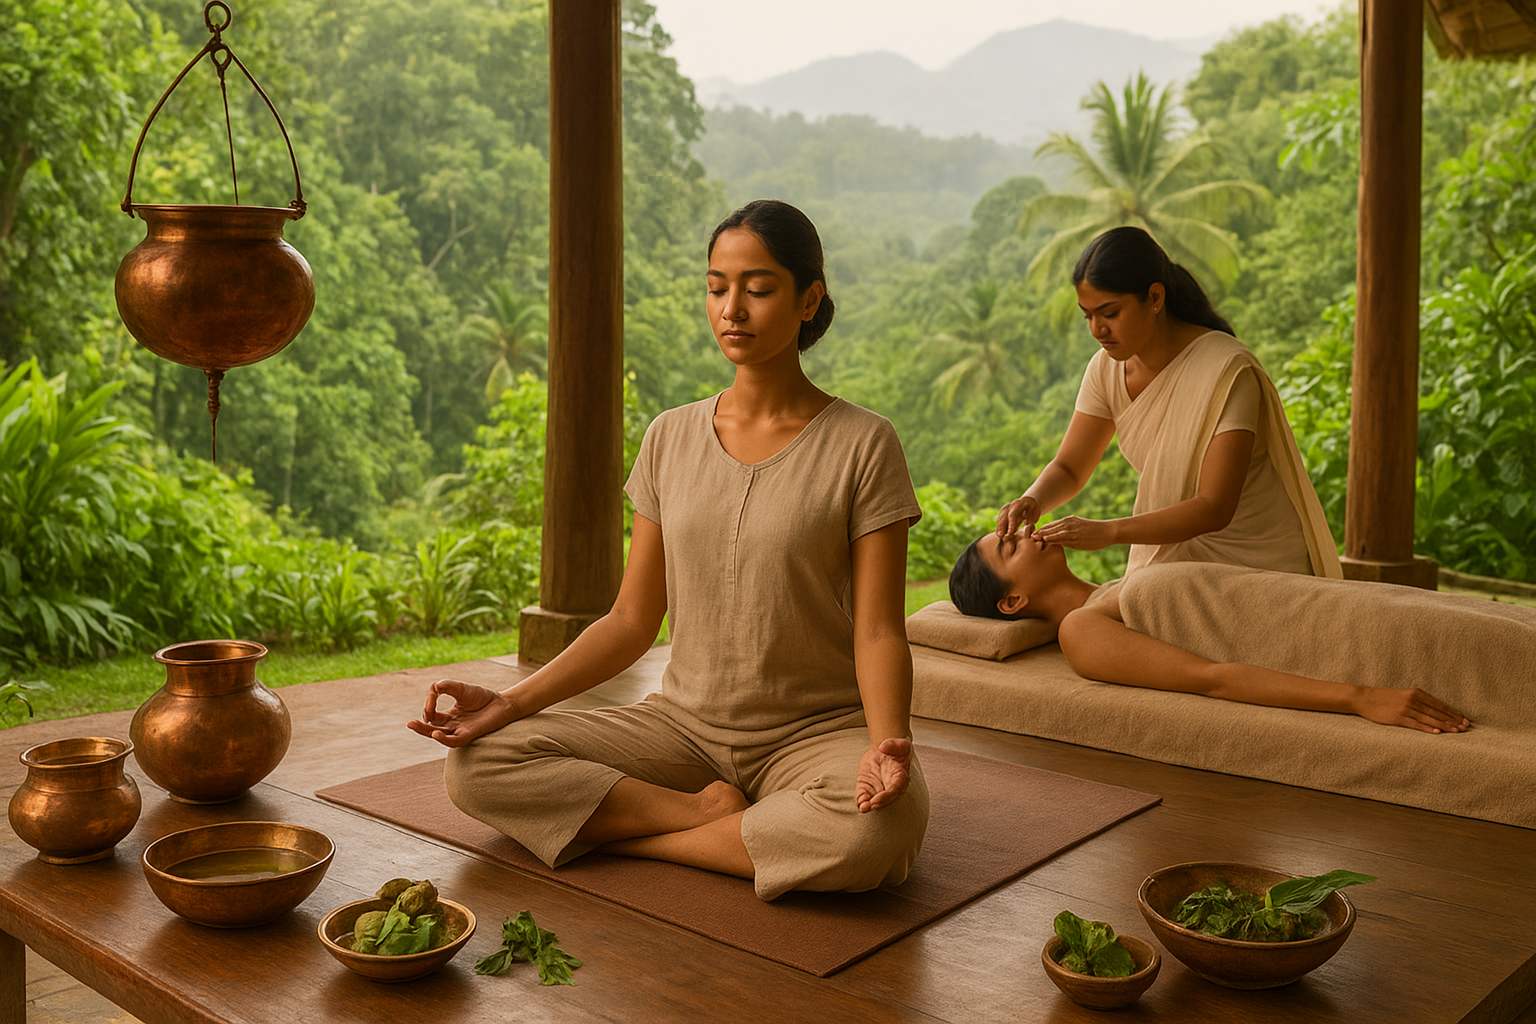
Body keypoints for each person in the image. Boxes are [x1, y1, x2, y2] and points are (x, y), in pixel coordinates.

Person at [408, 199, 929, 902]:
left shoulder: (864, 443)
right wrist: (509, 702)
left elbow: (876, 630)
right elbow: (630, 621)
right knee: (476, 766)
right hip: (682, 731)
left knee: (873, 832)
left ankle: (642, 837)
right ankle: (702, 818)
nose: (732, 310)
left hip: (816, 732)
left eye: (759, 288)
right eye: (717, 287)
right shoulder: (670, 437)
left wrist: (887, 743)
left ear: (809, 299)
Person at [995, 226, 1341, 579]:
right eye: (1088, 315)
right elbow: (1069, 467)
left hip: (1259, 563)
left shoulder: (1226, 371)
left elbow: (1214, 507)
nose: (1097, 329)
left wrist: (1109, 532)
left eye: (1110, 313)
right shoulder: (1105, 370)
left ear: (1155, 298)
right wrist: (1033, 499)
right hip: (1180, 562)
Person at [947, 531, 1471, 735]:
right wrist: (1361, 698)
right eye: (1012, 547)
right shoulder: (1081, 630)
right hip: (1343, 633)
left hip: (1323, 603)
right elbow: (1212, 678)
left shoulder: (1113, 583)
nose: (1030, 534)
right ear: (1012, 601)